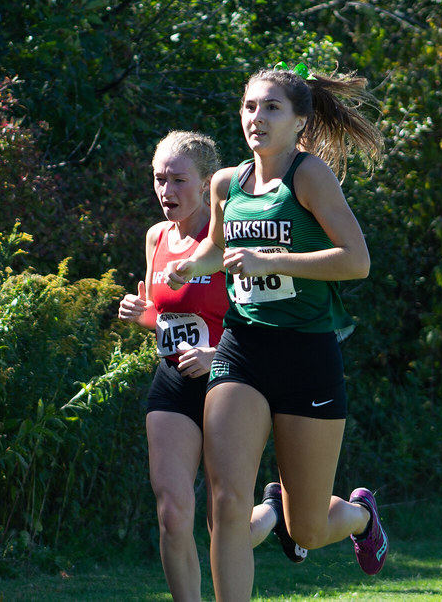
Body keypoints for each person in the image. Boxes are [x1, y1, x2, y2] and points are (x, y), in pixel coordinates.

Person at [163, 63, 389, 601]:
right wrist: (192, 266)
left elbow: (356, 261)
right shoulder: (226, 183)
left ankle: (360, 516)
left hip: (307, 356)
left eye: (271, 108)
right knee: (226, 503)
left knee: (306, 528)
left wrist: (272, 260)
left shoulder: (308, 176)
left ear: (299, 121)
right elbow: (218, 249)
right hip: (241, 350)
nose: (256, 117)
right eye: (249, 106)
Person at [118, 130, 306, 602]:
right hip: (173, 380)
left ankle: (274, 513)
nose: (166, 190)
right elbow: (167, 317)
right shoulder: (156, 238)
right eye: (159, 179)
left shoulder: (230, 238)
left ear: (206, 185)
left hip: (231, 380)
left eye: (178, 180)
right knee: (171, 512)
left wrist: (217, 355)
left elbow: (268, 320)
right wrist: (143, 316)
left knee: (225, 522)